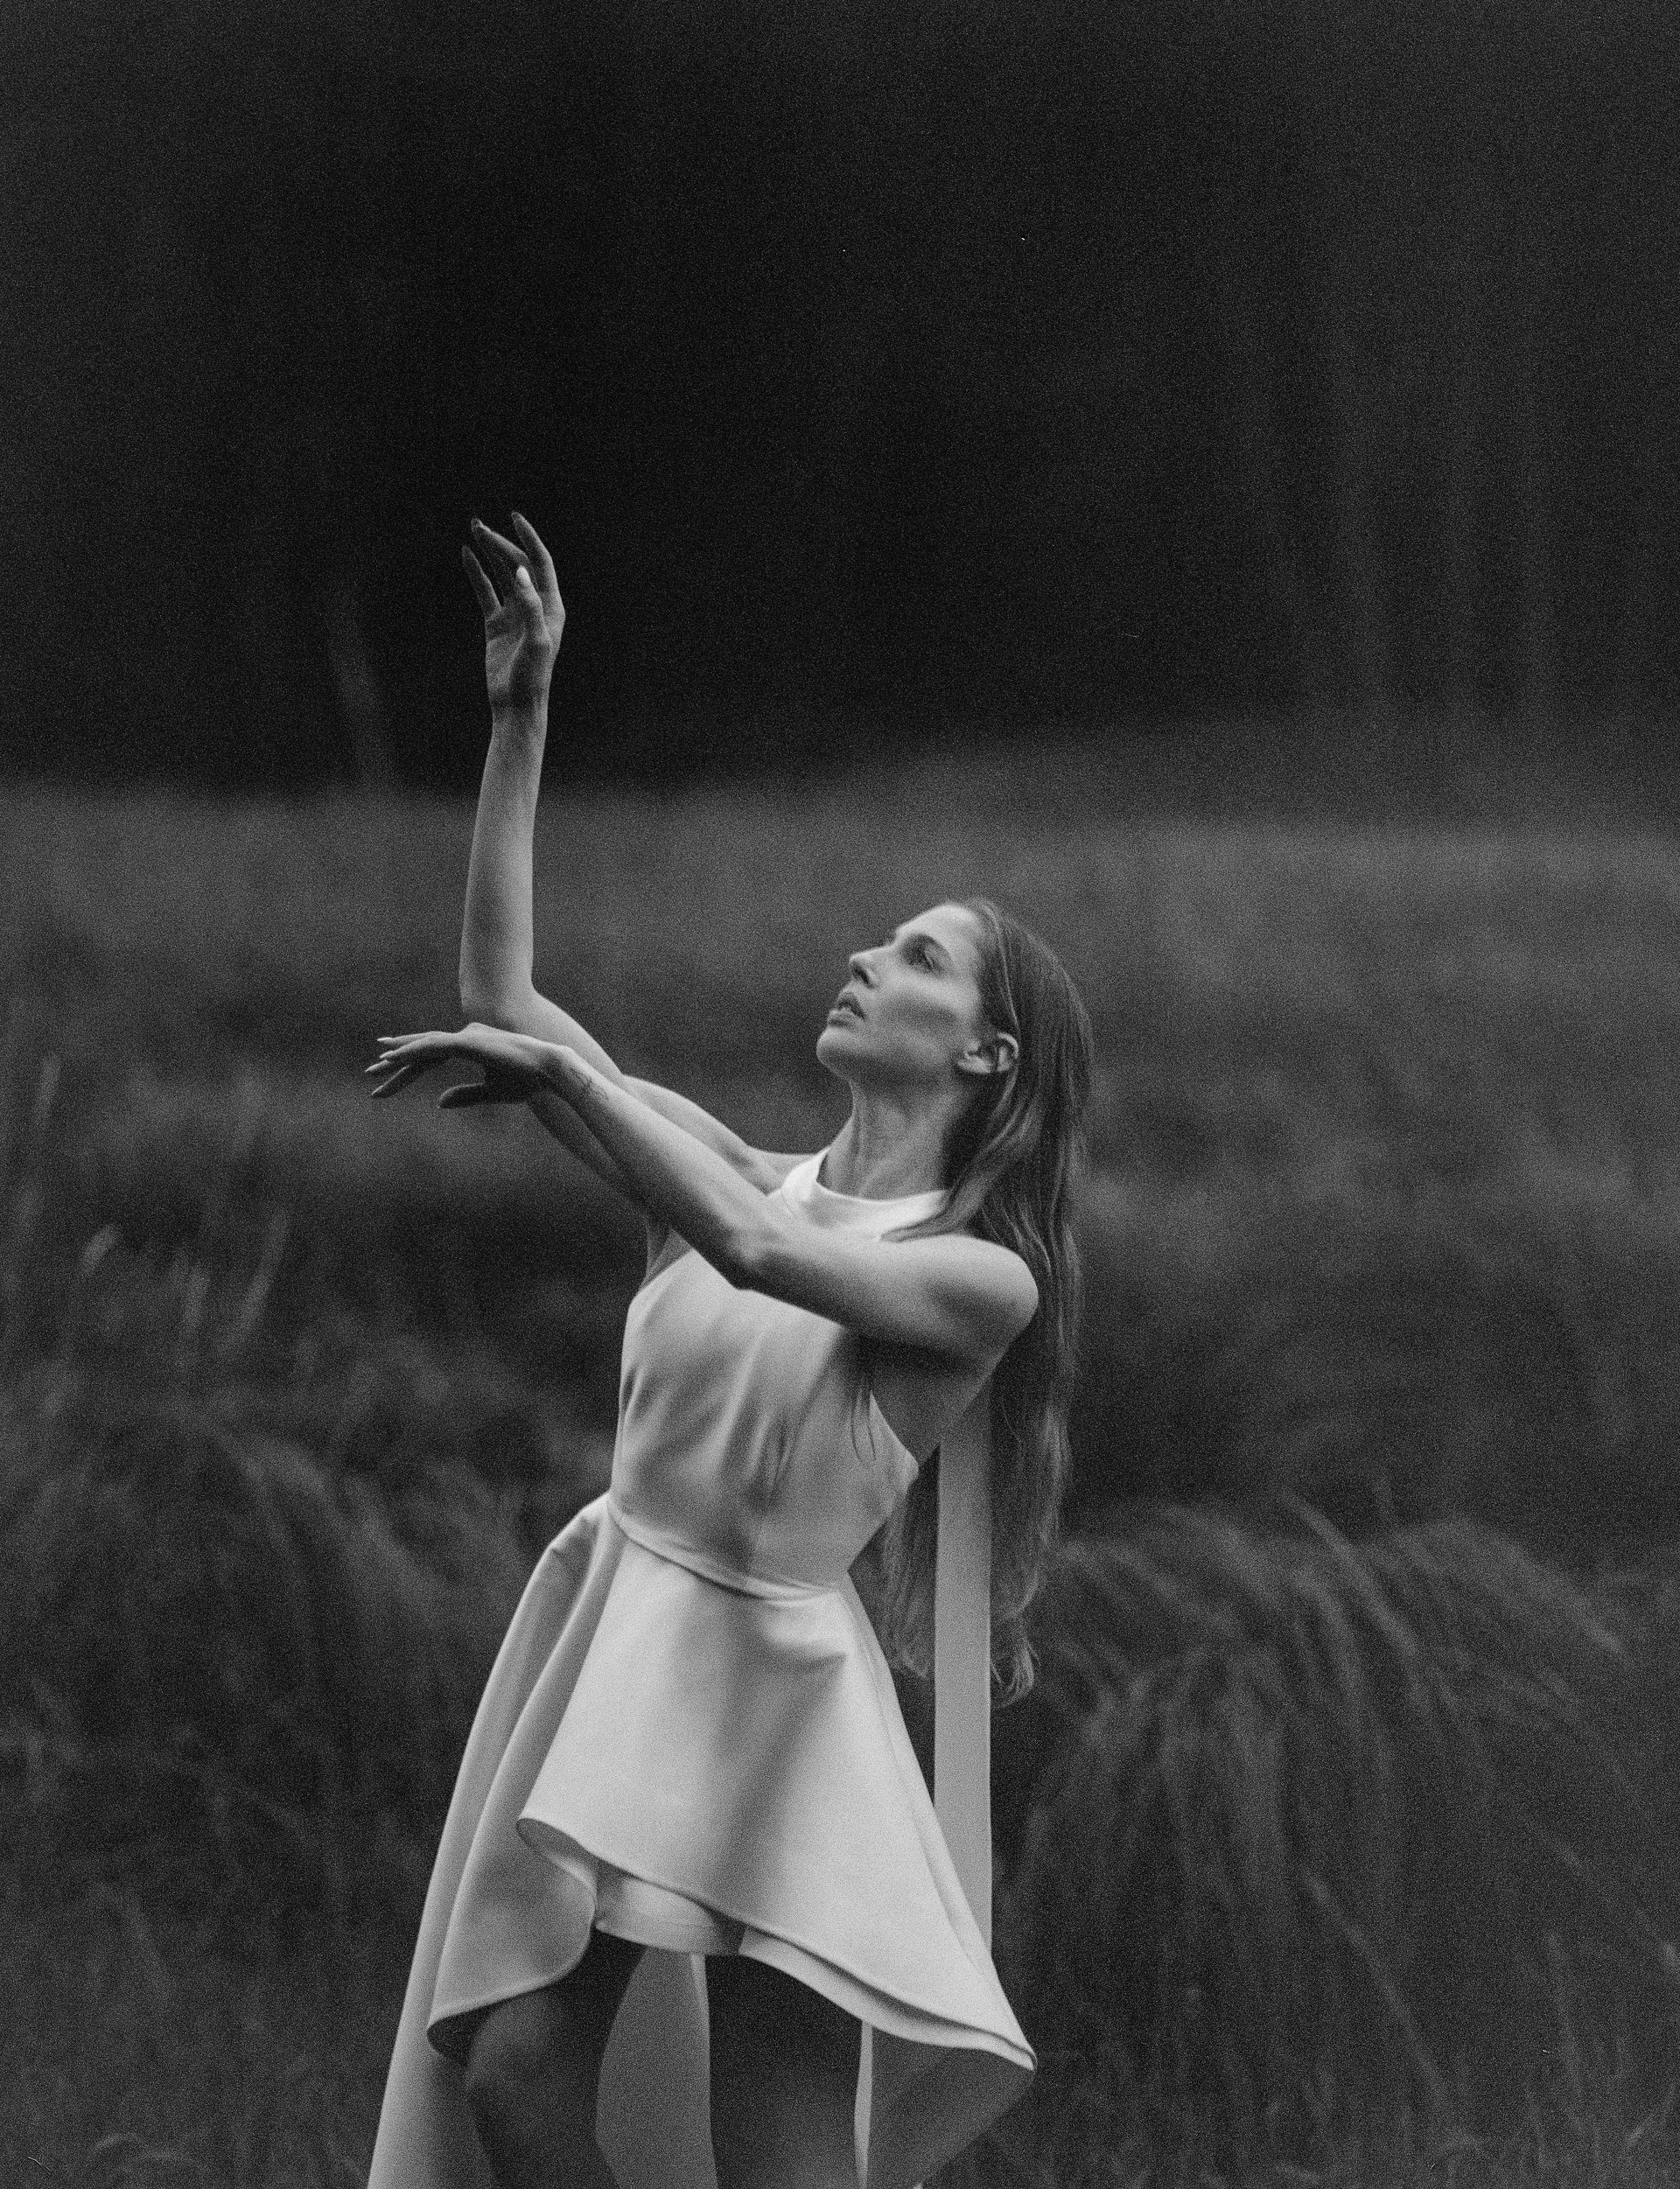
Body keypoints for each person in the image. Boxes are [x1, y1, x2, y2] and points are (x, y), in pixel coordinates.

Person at [363, 514, 1093, 2189]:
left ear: (985, 1050)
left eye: (915, 955)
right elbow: (502, 984)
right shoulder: (725, 1160)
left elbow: (766, 1253)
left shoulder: (981, 1282)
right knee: (513, 2076)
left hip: (774, 1708)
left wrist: (582, 1094)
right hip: (631, 1628)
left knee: (781, 2161)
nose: (861, 955)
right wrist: (521, 717)